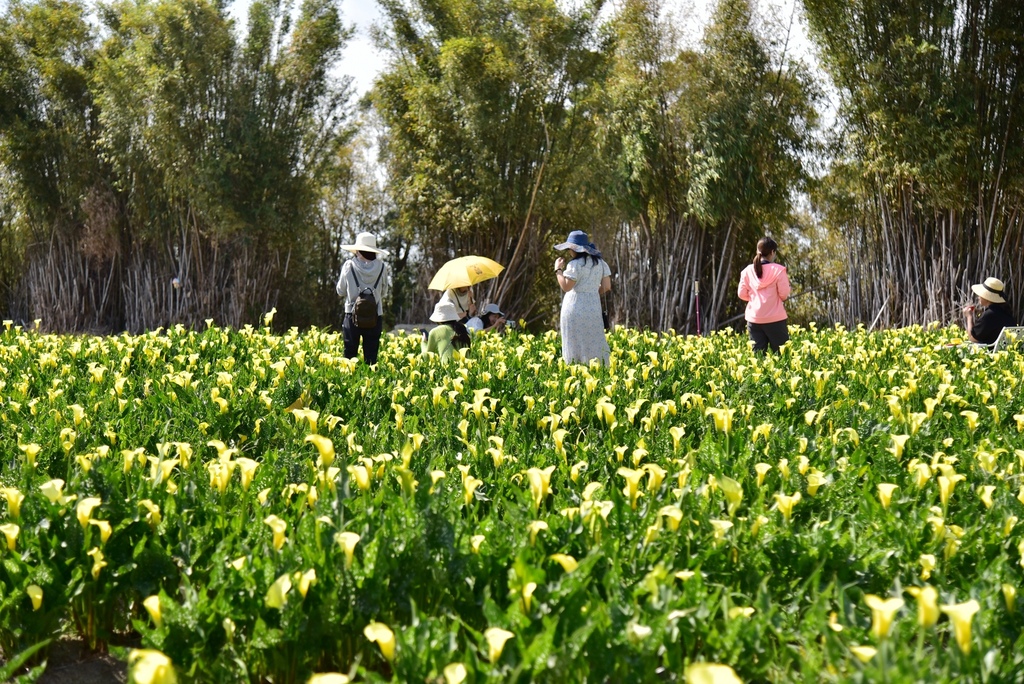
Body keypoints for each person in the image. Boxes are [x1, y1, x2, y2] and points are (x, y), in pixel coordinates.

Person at [554, 230, 611, 365]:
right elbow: (607, 286)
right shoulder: (601, 263)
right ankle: (598, 371)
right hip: (593, 307)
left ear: (574, 248)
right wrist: (591, 291)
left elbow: (566, 287)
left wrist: (558, 270)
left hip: (574, 307)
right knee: (594, 341)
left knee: (574, 343)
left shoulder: (574, 265)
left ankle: (576, 372)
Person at [336, 232, 389, 364]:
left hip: (352, 315)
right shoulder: (382, 267)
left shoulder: (349, 265)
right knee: (371, 359)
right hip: (374, 316)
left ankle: (349, 382)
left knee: (349, 356)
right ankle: (370, 383)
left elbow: (340, 291)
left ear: (358, 250)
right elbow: (384, 292)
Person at [737, 236, 791, 353]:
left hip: (754, 319)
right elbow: (784, 294)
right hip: (775, 319)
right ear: (772, 252)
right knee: (783, 355)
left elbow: (741, 294)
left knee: (758, 357)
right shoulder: (779, 270)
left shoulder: (747, 271)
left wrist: (753, 299)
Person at [963, 277, 1016, 345]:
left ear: (987, 297)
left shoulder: (990, 315)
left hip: (989, 353)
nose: (978, 297)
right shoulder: (1006, 311)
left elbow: (972, 339)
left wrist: (969, 316)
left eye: (981, 295)